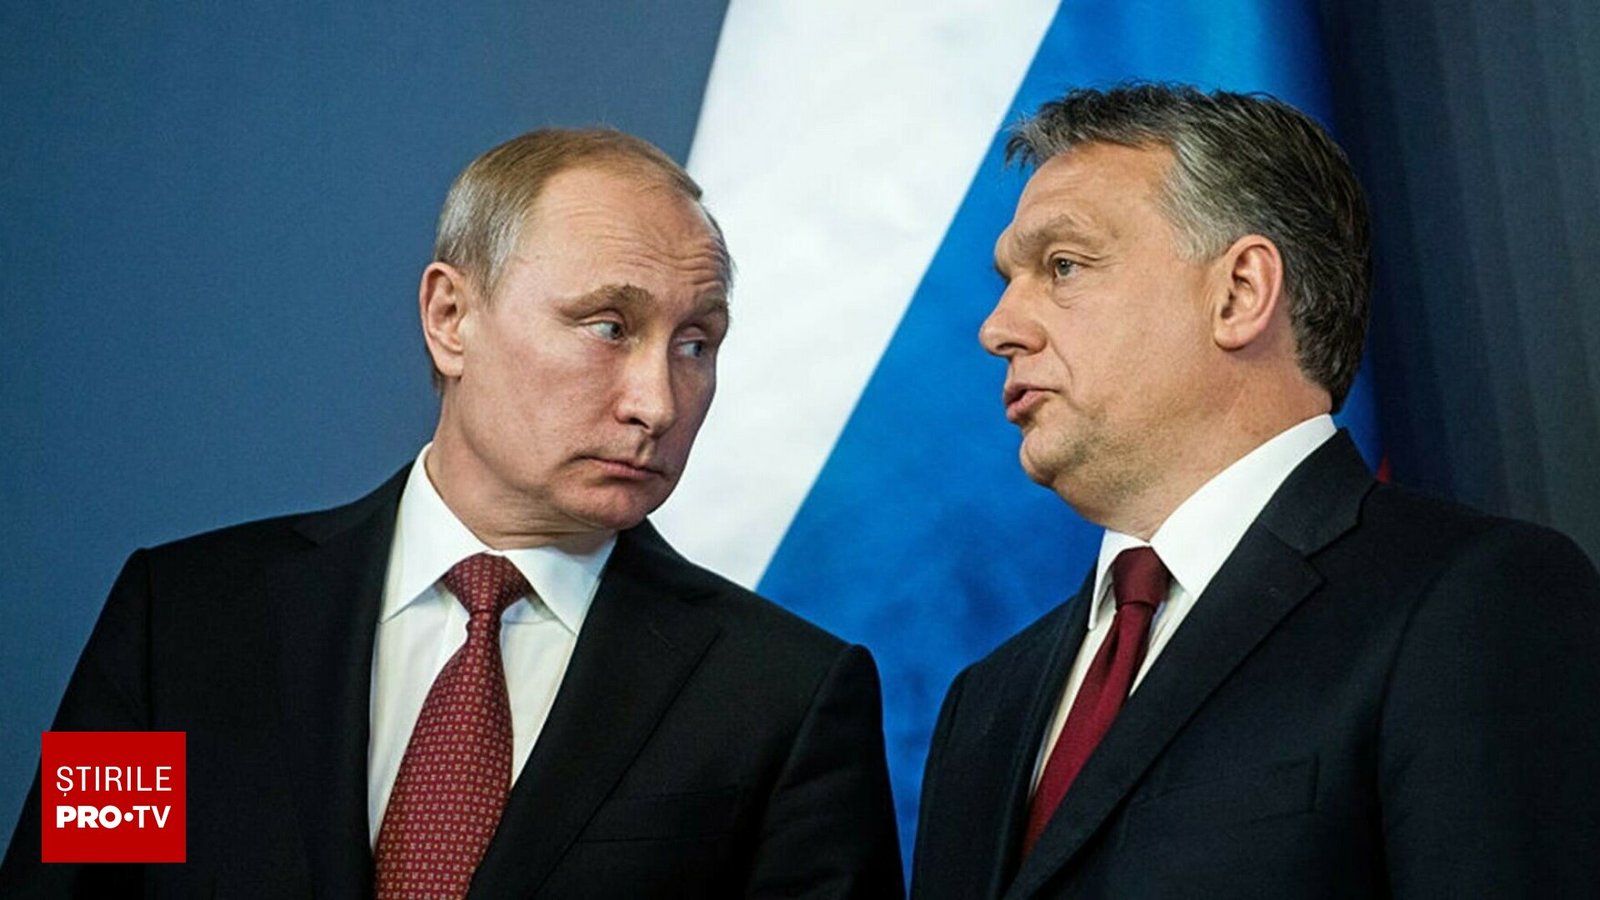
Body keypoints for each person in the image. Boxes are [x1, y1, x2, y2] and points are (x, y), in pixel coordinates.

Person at [2, 128, 902, 898]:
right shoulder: (183, 621)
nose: (657, 403)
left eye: (696, 344)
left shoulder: (782, 695)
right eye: (608, 327)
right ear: (450, 316)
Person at [911, 84, 1600, 899]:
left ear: (1239, 293)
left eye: (1063, 266)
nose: (998, 328)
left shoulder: (1471, 603)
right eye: (1008, 279)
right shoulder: (986, 699)